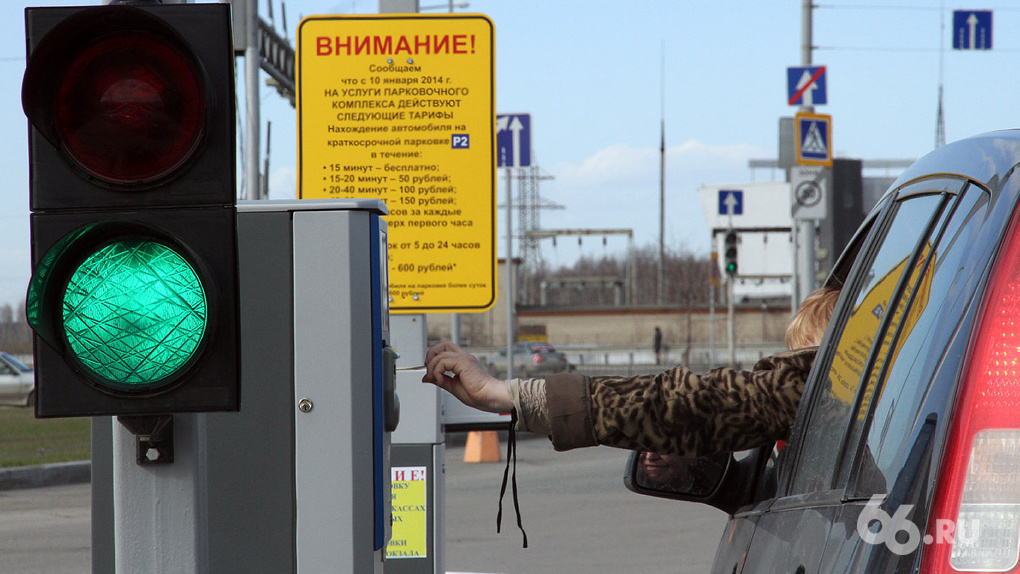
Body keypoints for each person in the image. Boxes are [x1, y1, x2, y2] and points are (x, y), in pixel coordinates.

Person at [423, 286, 840, 458]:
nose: (794, 367)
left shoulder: (825, 385)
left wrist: (509, 394)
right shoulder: (859, 392)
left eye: (801, 357)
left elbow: (688, 402)